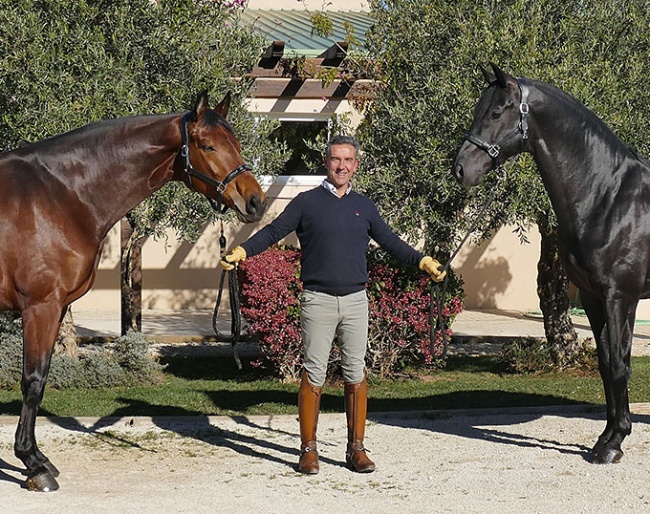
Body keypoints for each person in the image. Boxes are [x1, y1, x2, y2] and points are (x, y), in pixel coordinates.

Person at [220, 135, 446, 475]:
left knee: (355, 374)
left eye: (348, 161)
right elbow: (274, 231)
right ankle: (308, 450)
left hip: (356, 301)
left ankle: (356, 449)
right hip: (317, 301)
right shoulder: (306, 202)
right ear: (326, 163)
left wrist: (423, 261)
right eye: (336, 160)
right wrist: (243, 251)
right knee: (314, 373)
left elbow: (391, 242)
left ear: (355, 165)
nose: (341, 166)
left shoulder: (365, 206)